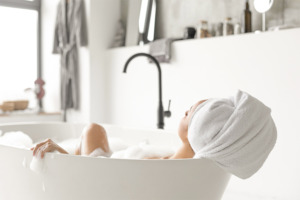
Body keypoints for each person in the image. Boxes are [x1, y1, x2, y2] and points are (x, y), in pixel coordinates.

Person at [31, 100, 207, 160]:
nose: (185, 110)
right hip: (110, 164)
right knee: (93, 130)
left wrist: (61, 153)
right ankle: (78, 156)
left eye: (191, 111)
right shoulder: (181, 157)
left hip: (103, 174)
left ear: (200, 130)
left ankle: (76, 157)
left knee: (92, 129)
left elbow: (93, 183)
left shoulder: (173, 165)